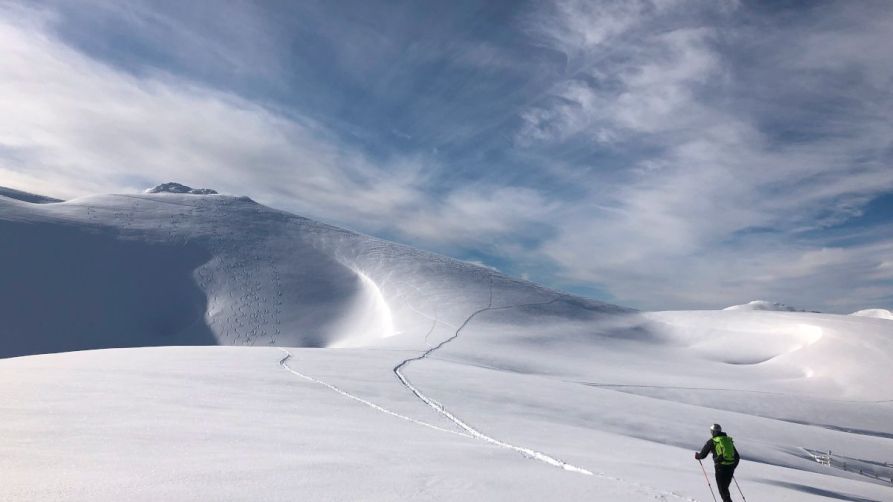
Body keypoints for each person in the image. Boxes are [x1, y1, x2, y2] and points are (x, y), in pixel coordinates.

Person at [695, 423, 740, 502]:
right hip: (730, 468)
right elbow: (737, 457)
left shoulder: (712, 441)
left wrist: (697, 456)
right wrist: (732, 466)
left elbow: (703, 455)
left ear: (713, 432)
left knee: (723, 490)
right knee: (725, 489)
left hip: (720, 468)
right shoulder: (728, 440)